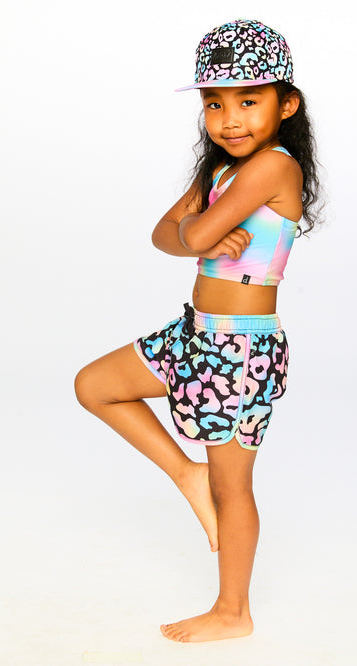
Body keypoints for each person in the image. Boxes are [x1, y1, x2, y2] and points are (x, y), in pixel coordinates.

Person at [74, 18, 322, 643]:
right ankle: (186, 475)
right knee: (95, 385)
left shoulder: (273, 167)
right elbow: (165, 235)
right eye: (215, 104)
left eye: (248, 101)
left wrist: (198, 232)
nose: (229, 119)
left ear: (286, 105)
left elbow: (193, 233)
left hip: (239, 347)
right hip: (194, 333)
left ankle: (233, 611)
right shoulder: (218, 172)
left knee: (233, 487)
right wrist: (196, 232)